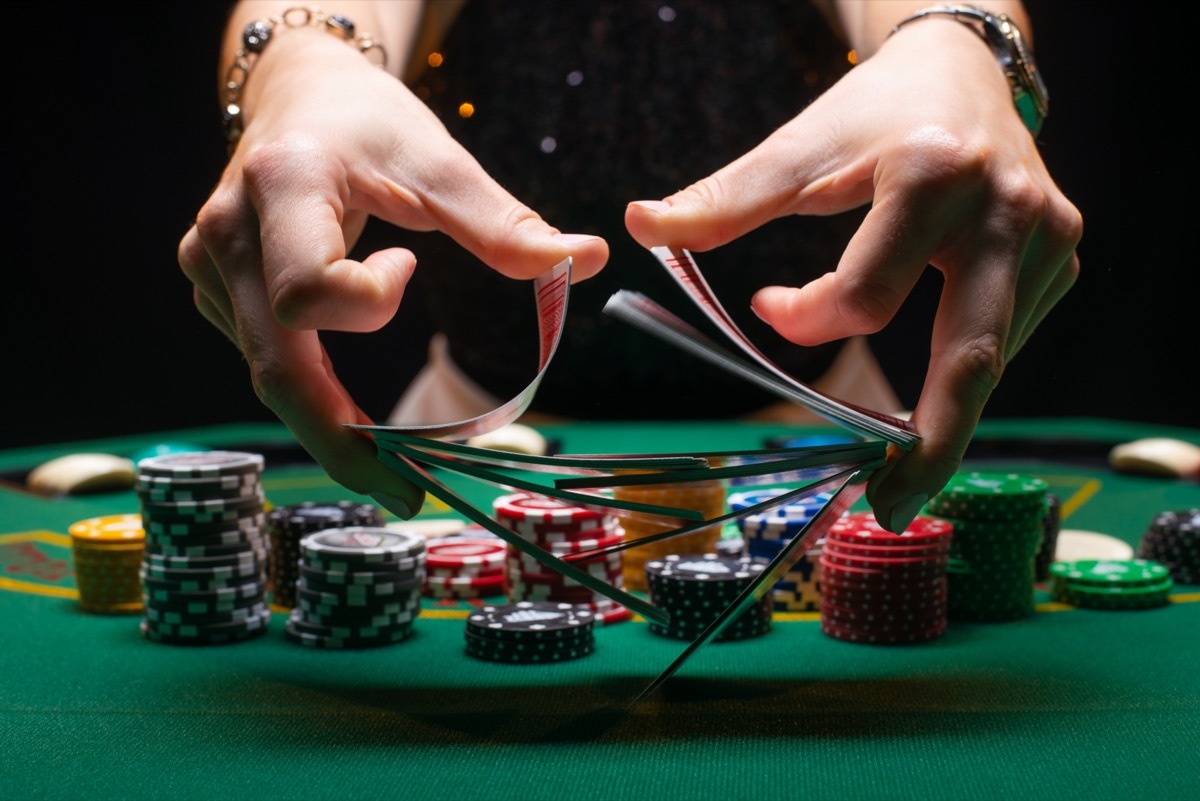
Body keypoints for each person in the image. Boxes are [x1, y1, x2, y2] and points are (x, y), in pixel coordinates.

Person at [178, 0, 1082, 534]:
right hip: (468, 465)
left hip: (827, 453)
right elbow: (322, 9)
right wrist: (299, 66)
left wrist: (955, 45)